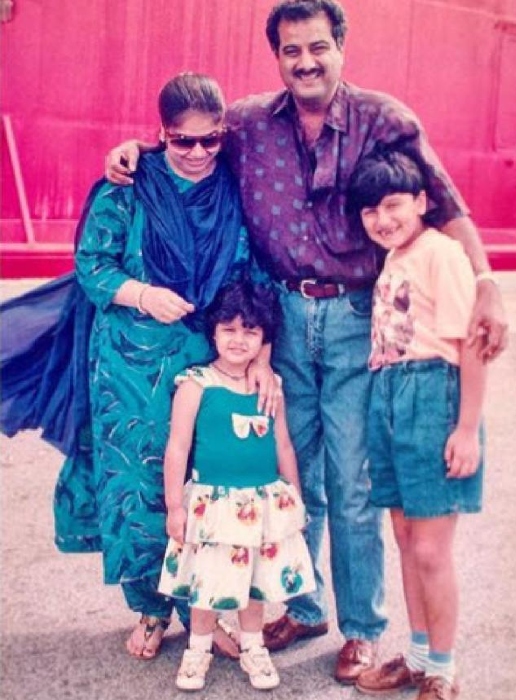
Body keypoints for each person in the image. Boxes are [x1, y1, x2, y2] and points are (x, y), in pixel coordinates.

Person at [104, 0, 507, 683]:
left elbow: (445, 202)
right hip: (285, 316)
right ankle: (304, 604)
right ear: (278, 57)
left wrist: (487, 281)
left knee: (351, 482)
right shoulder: (250, 122)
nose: (306, 61)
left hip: (355, 314)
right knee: (291, 472)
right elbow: (192, 140)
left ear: (340, 46)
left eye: (318, 47)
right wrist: (137, 149)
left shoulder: (384, 119)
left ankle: (362, 630)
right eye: (291, 50)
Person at [50, 72, 277, 663]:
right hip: (129, 367)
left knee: (208, 488)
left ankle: (206, 610)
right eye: (182, 140)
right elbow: (92, 264)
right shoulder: (127, 186)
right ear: (161, 133)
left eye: (209, 140)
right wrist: (143, 294)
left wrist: (262, 358)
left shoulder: (233, 189)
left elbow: (253, 280)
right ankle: (151, 610)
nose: (197, 152)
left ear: (222, 134)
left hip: (210, 361)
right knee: (140, 489)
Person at [346, 150, 486, 700]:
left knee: (430, 549)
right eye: (369, 211)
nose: (382, 220)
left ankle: (443, 670)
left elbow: (471, 341)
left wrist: (467, 428)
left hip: (432, 395)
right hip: (388, 393)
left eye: (392, 205)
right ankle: (419, 655)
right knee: (405, 539)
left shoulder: (441, 253)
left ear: (422, 202)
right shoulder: (394, 258)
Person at [157, 281, 315, 691]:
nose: (238, 340)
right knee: (208, 583)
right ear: (213, 331)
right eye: (228, 329)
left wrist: (294, 498)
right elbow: (177, 447)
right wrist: (175, 507)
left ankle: (253, 646)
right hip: (212, 505)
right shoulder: (196, 383)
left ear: (264, 339)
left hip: (261, 503)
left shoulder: (270, 385)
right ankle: (198, 649)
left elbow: (283, 444)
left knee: (254, 583)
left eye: (250, 331)